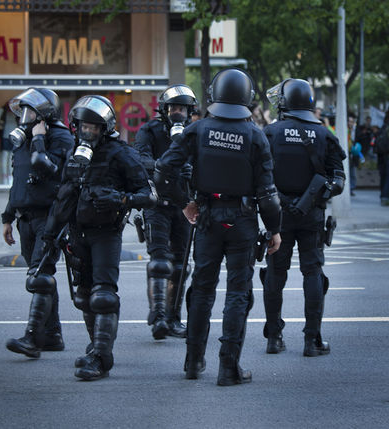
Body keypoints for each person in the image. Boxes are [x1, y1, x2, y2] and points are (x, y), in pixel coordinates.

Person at [154, 68, 282, 386]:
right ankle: (228, 368)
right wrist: (275, 229)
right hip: (242, 221)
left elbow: (164, 171)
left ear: (213, 94)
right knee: (238, 293)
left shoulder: (198, 130)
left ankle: (193, 361)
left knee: (201, 291)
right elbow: (267, 193)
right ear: (248, 98)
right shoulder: (255, 136)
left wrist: (185, 203)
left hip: (208, 218)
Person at [42, 95, 156, 380]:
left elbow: (149, 195)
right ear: (75, 126)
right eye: (84, 127)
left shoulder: (121, 153)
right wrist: (51, 233)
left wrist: (121, 199)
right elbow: (63, 195)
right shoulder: (73, 153)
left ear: (104, 128)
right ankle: (96, 347)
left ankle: (102, 358)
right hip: (77, 232)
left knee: (103, 295)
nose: (88, 132)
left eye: (94, 127)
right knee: (83, 296)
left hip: (106, 233)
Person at [261, 78, 345, 357]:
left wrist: (282, 201)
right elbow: (339, 180)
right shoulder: (324, 134)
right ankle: (312, 341)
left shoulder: (270, 132)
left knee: (275, 274)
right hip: (312, 216)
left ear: (286, 102)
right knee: (313, 273)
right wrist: (313, 199)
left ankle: (274, 338)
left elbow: (259, 174)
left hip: (278, 215)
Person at [3, 88, 74, 359]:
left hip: (51, 216)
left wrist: (40, 140)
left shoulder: (60, 137)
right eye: (22, 110)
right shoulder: (22, 139)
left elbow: (51, 170)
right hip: (25, 219)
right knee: (43, 279)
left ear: (44, 112)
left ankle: (33, 339)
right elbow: (18, 179)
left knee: (39, 276)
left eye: (29, 110)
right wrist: (8, 217)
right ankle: (53, 335)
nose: (24, 115)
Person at [134, 85, 198, 340]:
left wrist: (191, 170)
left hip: (184, 205)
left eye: (182, 108)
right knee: (160, 261)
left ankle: (173, 318)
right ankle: (158, 317)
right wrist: (166, 167)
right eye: (173, 108)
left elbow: (204, 161)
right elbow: (139, 160)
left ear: (190, 111)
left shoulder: (195, 133)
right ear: (164, 109)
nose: (177, 113)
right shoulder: (148, 131)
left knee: (181, 265)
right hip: (156, 204)